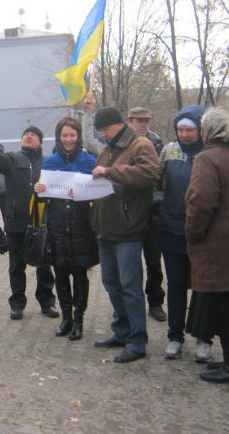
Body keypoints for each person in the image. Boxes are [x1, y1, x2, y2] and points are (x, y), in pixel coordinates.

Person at [91, 107, 158, 363]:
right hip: (106, 228)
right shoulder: (107, 150)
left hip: (128, 230)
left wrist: (110, 172)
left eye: (105, 130)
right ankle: (121, 331)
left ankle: (137, 340)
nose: (103, 134)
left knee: (130, 287)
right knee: (111, 283)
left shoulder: (141, 145)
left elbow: (148, 173)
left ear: (117, 125)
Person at [0, 126, 59, 320]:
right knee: (16, 265)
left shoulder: (49, 162)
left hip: (42, 220)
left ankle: (47, 302)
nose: (29, 136)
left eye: (33, 135)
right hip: (16, 220)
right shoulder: (12, 159)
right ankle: (17, 304)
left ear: (40, 141)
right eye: (25, 134)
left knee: (44, 265)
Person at [34, 117, 99, 340]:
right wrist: (38, 189)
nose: (69, 139)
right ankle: (66, 318)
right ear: (59, 137)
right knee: (60, 274)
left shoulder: (89, 161)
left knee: (80, 275)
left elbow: (97, 192)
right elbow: (43, 199)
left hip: (82, 226)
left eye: (72, 135)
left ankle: (79, 319)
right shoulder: (50, 163)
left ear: (78, 136)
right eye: (65, 135)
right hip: (58, 226)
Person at [156, 105, 211, 361]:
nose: (185, 135)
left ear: (200, 130)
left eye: (190, 130)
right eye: (181, 130)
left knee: (203, 287)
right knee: (176, 285)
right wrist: (160, 205)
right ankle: (175, 337)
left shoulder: (211, 153)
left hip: (204, 233)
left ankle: (204, 338)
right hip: (172, 229)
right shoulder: (169, 151)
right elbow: (157, 182)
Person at [185, 108, 229, 383]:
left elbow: (201, 202)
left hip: (216, 247)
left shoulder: (207, 159)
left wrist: (192, 233)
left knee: (223, 308)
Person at [127, 107, 166, 322]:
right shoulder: (122, 142)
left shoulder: (157, 142)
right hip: (129, 212)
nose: (143, 124)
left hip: (152, 212)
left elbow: (161, 177)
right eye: (139, 120)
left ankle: (156, 301)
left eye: (146, 120)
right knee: (130, 264)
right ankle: (131, 306)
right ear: (130, 121)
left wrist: (157, 201)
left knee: (153, 261)